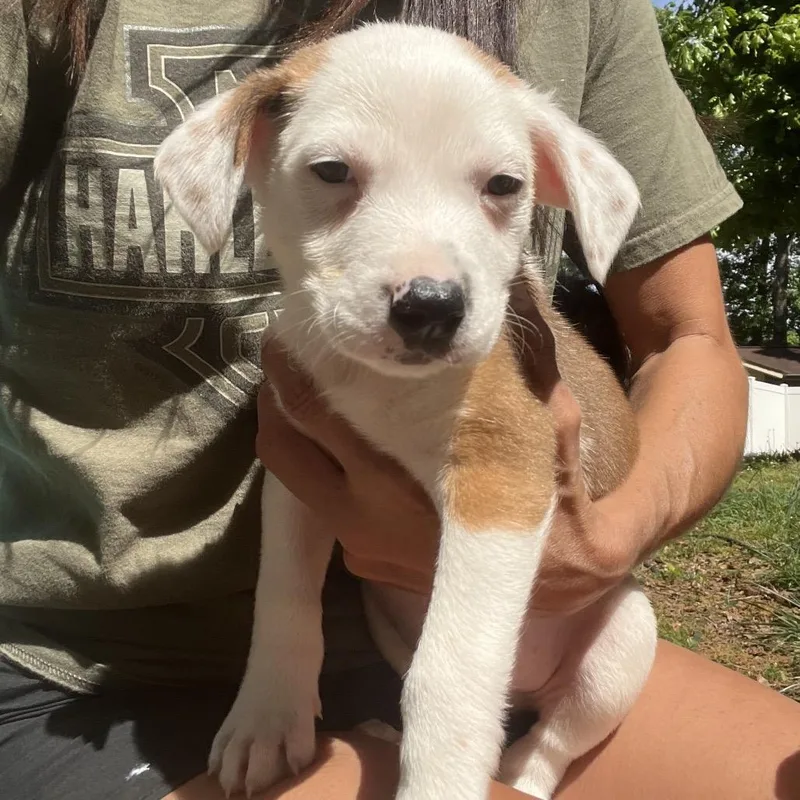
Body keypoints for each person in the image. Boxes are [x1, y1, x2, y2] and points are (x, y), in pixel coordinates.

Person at [0, 0, 798, 799]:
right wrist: (285, 667)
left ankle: (537, 765)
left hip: (530, 644)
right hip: (111, 663)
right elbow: (302, 474)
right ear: (250, 149)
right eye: (334, 173)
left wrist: (610, 542)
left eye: (500, 186)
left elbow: (690, 339)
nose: (430, 284)